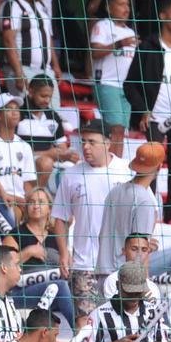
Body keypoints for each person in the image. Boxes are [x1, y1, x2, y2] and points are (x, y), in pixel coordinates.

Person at [95, 142, 171, 307]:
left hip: (103, 272)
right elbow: (138, 251)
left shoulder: (115, 191)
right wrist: (145, 288)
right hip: (125, 278)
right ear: (159, 167)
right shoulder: (145, 200)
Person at [50, 120, 132, 319]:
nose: (86, 147)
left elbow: (148, 210)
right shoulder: (71, 175)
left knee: (120, 321)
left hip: (119, 264)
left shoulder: (127, 171)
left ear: (108, 143)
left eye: (92, 142)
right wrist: (63, 253)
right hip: (84, 263)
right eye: (83, 141)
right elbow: (60, 217)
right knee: (85, 324)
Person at [123, 0, 171, 222]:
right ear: (162, 16)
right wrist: (142, 110)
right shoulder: (147, 47)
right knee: (151, 168)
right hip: (155, 117)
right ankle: (146, 215)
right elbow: (130, 84)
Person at [0, 94, 37, 216]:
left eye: (16, 109)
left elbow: (28, 183)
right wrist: (8, 196)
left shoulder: (25, 146)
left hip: (20, 201)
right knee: (14, 213)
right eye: (9, 109)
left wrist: (30, 203)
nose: (15, 112)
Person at [89, 0, 138, 140]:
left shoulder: (130, 32)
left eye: (128, 5)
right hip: (107, 83)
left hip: (126, 87)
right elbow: (95, 52)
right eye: (121, 4)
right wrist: (120, 44)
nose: (126, 9)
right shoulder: (102, 25)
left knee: (121, 131)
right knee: (114, 128)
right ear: (109, 8)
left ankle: (117, 162)